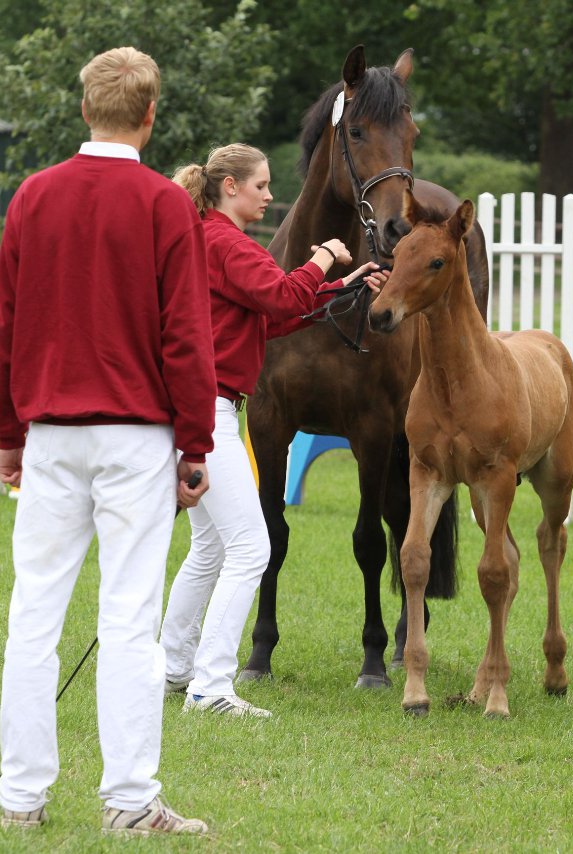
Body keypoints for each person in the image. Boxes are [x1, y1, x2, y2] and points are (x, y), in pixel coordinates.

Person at [0, 46, 215, 836]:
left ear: (84, 107)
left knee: (35, 613)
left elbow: (7, 326)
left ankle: (22, 795)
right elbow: (186, 336)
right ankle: (128, 798)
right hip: (135, 435)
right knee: (128, 618)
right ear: (150, 116)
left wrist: (6, 432)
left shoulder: (34, 197)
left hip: (51, 432)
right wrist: (196, 443)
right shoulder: (162, 207)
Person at [160, 143, 387, 717]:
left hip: (198, 407)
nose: (269, 195)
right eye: (260, 186)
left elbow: (278, 313)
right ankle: (210, 688)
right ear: (230, 187)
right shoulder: (227, 243)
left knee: (211, 546)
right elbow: (283, 292)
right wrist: (326, 258)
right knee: (250, 547)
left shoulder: (210, 238)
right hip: (209, 413)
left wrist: (345, 284)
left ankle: (173, 668)